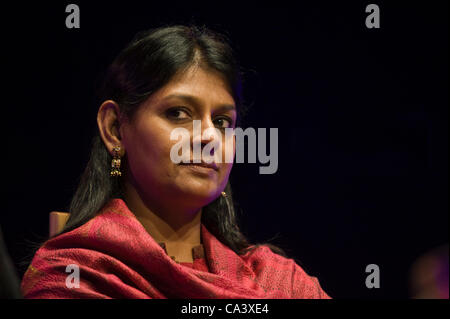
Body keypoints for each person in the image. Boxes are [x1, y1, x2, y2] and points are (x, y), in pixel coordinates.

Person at [21, 25, 331, 299]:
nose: (208, 136)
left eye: (222, 121)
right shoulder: (76, 276)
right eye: (178, 113)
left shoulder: (278, 281)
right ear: (115, 128)